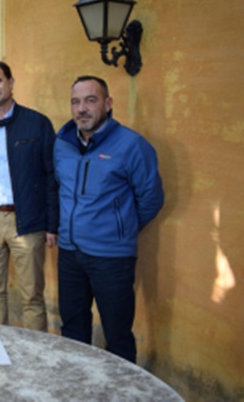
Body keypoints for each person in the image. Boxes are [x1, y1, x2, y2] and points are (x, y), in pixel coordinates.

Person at [54, 75, 164, 363]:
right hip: (69, 253)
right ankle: (76, 388)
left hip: (111, 258)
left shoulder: (131, 145)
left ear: (107, 103)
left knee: (117, 335)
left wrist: (120, 229)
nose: (82, 109)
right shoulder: (61, 143)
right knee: (73, 330)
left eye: (91, 100)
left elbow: (151, 198)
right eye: (75, 102)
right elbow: (56, 189)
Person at [0, 60, 58, 331]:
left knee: (32, 296)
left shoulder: (37, 123)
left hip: (27, 220)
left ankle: (34, 355)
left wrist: (52, 224)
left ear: (11, 83)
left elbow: (51, 176)